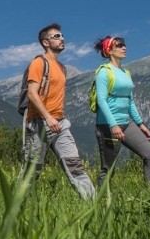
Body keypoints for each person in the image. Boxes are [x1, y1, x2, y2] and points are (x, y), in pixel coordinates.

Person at [20, 24, 96, 200]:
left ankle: (94, 205)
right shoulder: (39, 63)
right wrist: (48, 117)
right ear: (46, 42)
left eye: (62, 35)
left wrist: (56, 119)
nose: (62, 38)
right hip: (39, 124)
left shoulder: (62, 68)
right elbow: (32, 93)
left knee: (75, 165)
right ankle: (16, 207)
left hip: (60, 124)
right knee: (31, 171)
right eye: (56, 36)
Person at [92, 36, 150, 186]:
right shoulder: (104, 72)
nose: (124, 48)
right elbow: (101, 100)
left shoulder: (125, 72)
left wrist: (140, 124)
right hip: (107, 126)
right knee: (109, 168)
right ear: (109, 51)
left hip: (127, 124)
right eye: (119, 45)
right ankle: (99, 203)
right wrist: (113, 125)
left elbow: (130, 101)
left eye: (124, 45)